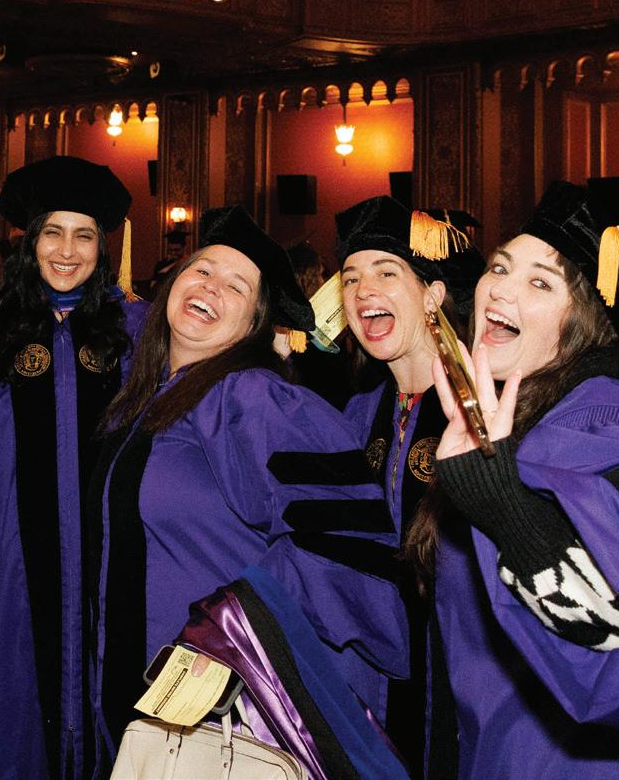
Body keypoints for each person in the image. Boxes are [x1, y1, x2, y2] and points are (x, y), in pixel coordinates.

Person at [87, 205, 405, 776]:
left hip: (220, 706)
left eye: (236, 286)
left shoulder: (255, 398)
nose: (211, 287)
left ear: (256, 322)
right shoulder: (146, 396)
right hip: (142, 682)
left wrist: (228, 634)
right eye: (202, 269)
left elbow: (333, 541)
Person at [413, 181, 619, 778]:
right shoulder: (525, 409)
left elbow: (618, 655)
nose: (500, 290)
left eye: (541, 283)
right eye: (499, 267)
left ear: (584, 323)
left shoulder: (604, 420)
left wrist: (505, 503)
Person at [0, 156, 147, 780]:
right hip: (14, 554)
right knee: (21, 701)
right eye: (53, 233)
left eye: (84, 235)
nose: (67, 251)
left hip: (113, 555)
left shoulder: (138, 327)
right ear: (30, 241)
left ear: (104, 246)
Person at [333, 196, 482, 773]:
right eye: (350, 278)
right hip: (369, 684)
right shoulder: (352, 417)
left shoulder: (481, 412)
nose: (362, 289)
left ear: (432, 295)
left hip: (461, 683)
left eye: (386, 272)